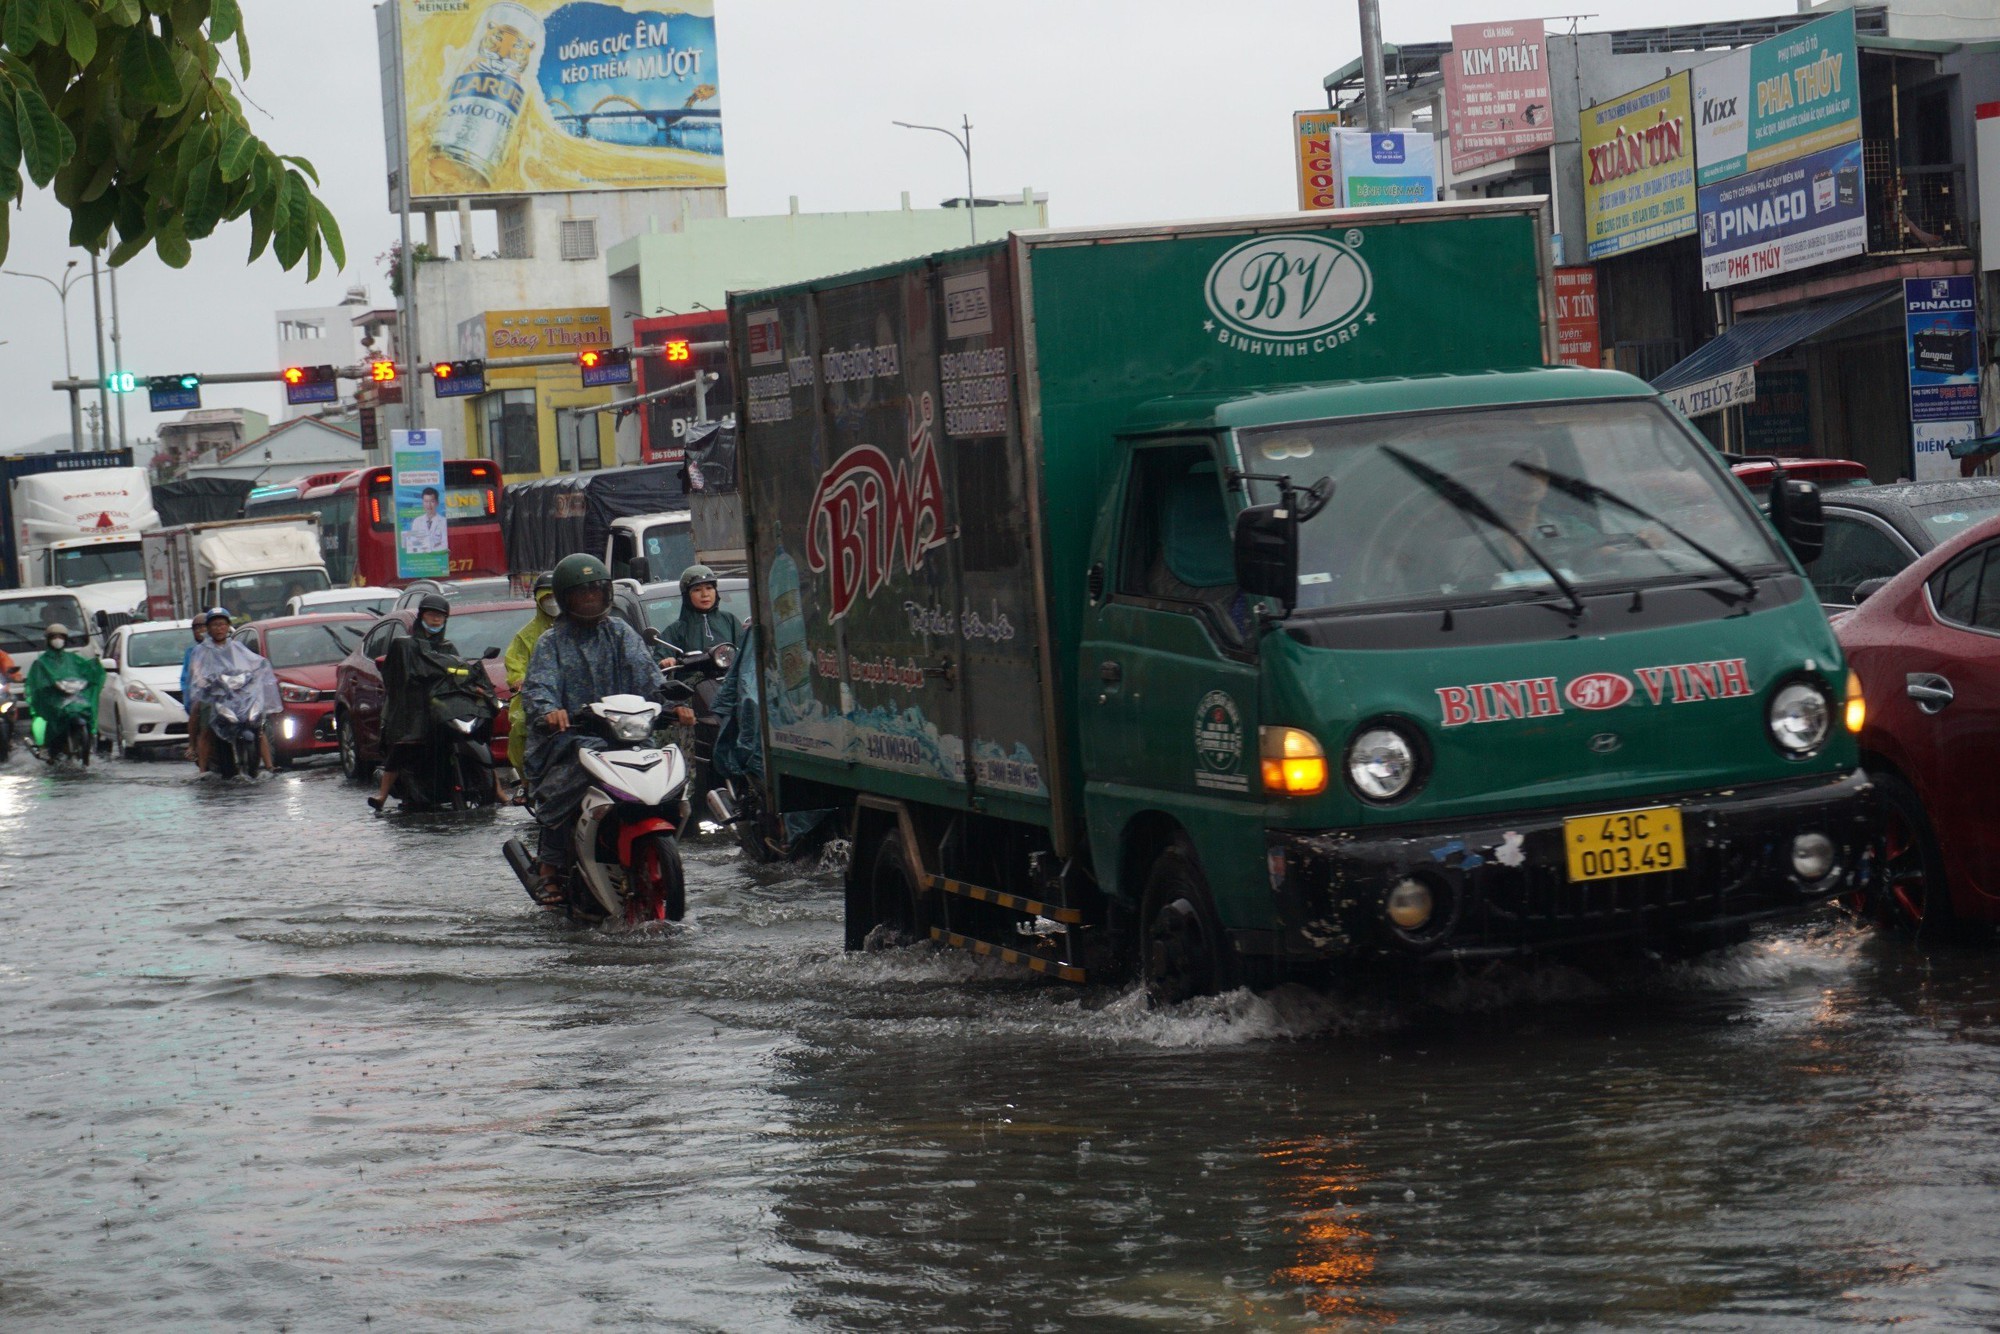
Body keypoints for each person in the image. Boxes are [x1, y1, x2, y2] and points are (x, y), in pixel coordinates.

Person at [520, 553, 668, 903]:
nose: (589, 599)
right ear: (565, 598)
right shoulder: (551, 642)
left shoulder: (619, 632)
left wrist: (672, 703)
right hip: (571, 736)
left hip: (626, 731)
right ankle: (550, 868)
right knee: (563, 787)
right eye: (580, 594)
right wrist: (549, 711)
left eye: (595, 592)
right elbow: (538, 686)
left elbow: (648, 674)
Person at [370, 593, 506, 810]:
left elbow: (460, 673)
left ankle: (497, 789)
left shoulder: (447, 648)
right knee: (403, 746)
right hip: (413, 710)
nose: (435, 620)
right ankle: (382, 795)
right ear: (422, 616)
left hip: (442, 705)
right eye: (432, 615)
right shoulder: (405, 646)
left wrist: (477, 687)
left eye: (440, 617)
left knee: (478, 738)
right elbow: (395, 677)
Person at [187, 608, 276, 772]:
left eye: (222, 624)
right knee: (207, 729)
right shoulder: (201, 650)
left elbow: (252, 662)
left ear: (228, 626)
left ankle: (270, 766)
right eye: (214, 625)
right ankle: (202, 771)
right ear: (209, 628)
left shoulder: (237, 647)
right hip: (213, 694)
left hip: (236, 694)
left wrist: (258, 671)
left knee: (257, 725)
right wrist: (203, 681)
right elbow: (197, 671)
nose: (219, 628)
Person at [503, 573, 557, 774]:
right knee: (520, 726)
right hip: (538, 697)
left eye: (556, 597)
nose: (552, 602)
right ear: (537, 600)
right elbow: (515, 662)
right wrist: (519, 681)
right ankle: (527, 779)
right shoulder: (526, 636)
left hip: (572, 696)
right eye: (547, 598)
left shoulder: (579, 628)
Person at [23, 623, 105, 752]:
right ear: (49, 640)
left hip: (73, 696)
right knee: (56, 718)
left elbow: (84, 668)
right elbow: (36, 682)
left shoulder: (72, 658)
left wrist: (94, 667)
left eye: (60, 636)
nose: (57, 640)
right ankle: (52, 749)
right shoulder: (41, 662)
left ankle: (89, 740)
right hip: (53, 698)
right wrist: (48, 686)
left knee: (85, 709)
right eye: (54, 636)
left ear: (65, 639)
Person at [661, 564, 742, 662]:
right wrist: (666, 662)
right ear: (686, 595)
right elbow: (658, 664)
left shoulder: (729, 620)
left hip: (728, 676)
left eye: (709, 588)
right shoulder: (675, 630)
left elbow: (746, 653)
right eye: (697, 590)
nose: (705, 594)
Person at [405, 488, 449, 554]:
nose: (429, 505)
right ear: (422, 503)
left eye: (432, 501)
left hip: (438, 559)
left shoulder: (443, 521)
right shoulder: (417, 521)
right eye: (426, 501)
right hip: (423, 560)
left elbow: (445, 544)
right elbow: (414, 544)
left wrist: (426, 548)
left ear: (437, 503)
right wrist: (435, 546)